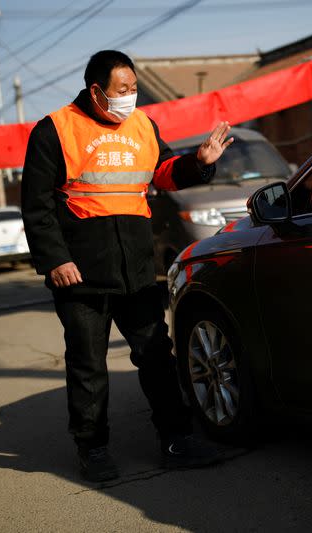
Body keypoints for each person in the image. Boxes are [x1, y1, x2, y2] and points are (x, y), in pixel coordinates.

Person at [21, 50, 234, 482]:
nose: (130, 97)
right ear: (96, 91)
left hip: (136, 269)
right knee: (88, 365)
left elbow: (163, 172)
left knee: (156, 355)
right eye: (122, 90)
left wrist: (199, 162)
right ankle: (93, 448)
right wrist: (55, 260)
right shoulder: (55, 130)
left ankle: (177, 440)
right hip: (80, 273)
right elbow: (36, 204)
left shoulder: (143, 126)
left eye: (134, 88)